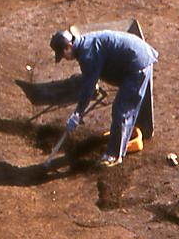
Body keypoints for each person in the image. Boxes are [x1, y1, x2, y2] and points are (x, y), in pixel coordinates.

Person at [50, 27, 158, 169]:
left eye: (63, 55)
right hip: (139, 55)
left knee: (121, 110)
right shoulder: (85, 43)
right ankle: (142, 130)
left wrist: (77, 113)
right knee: (131, 99)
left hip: (136, 64)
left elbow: (88, 88)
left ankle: (114, 155)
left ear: (69, 46)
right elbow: (92, 76)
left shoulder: (87, 54)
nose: (65, 59)